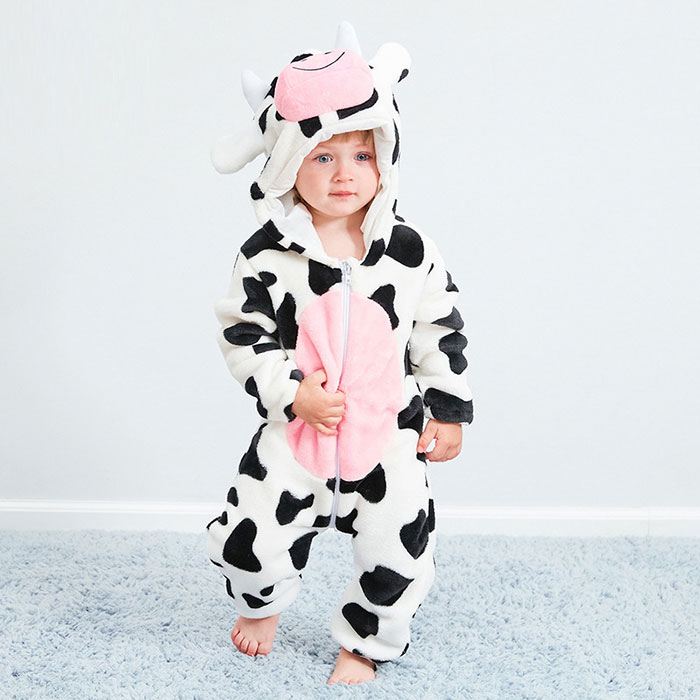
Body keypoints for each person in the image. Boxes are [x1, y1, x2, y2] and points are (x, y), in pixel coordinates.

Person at [205, 21, 473, 686]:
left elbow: (439, 327)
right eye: (323, 157)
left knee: (402, 545)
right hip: (296, 438)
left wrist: (447, 408)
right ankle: (261, 603)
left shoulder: (409, 251)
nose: (345, 173)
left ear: (385, 154)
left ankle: (365, 643)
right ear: (288, 164)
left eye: (361, 154)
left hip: (387, 440)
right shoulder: (267, 256)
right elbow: (244, 334)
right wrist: (291, 390)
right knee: (251, 536)